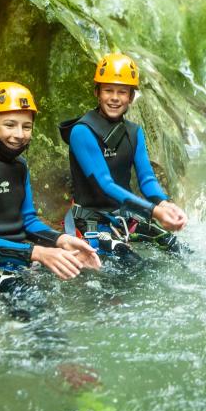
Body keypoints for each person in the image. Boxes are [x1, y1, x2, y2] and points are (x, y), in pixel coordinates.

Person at [0, 82, 101, 315]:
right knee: (38, 311)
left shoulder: (20, 166)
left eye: (27, 126)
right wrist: (37, 253)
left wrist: (61, 240)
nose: (19, 135)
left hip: (19, 257)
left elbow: (28, 221)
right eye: (9, 125)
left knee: (97, 283)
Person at [59, 53, 187, 259]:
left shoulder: (134, 132)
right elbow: (104, 184)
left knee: (176, 247)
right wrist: (153, 212)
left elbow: (146, 178)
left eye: (122, 92)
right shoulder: (82, 131)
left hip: (123, 215)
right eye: (108, 90)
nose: (115, 98)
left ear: (131, 97)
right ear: (97, 93)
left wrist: (164, 203)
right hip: (90, 217)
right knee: (131, 263)